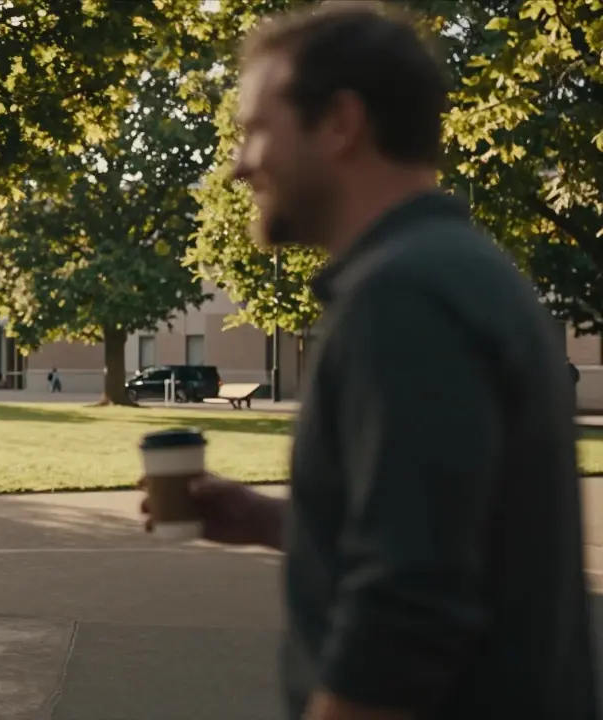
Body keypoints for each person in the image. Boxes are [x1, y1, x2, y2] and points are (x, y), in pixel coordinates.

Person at [141, 4, 596, 719]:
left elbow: (409, 607)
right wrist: (272, 520)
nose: (240, 165)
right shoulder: (460, 270)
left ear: (340, 123)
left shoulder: (402, 296)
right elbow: (445, 529)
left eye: (258, 129)